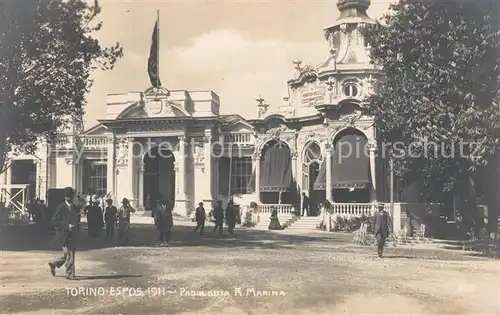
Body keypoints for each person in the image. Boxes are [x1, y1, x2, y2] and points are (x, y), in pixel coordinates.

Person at [48, 187, 78, 280]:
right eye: (67, 197)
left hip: (72, 234)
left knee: (67, 254)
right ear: (65, 197)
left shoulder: (74, 207)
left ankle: (54, 264)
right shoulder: (61, 207)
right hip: (64, 234)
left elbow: (76, 219)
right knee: (70, 253)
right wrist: (66, 226)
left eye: (70, 197)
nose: (69, 198)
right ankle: (70, 274)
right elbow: (54, 221)